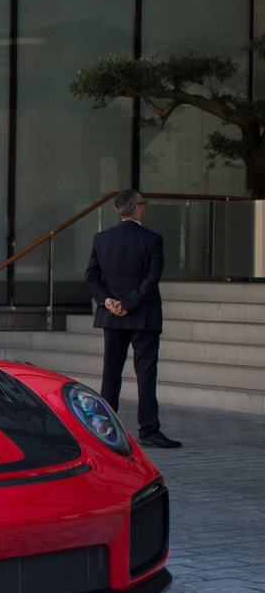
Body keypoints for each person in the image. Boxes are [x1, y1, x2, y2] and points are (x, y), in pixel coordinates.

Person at [85, 190, 180, 449]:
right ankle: (148, 430)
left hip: (112, 316)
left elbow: (92, 276)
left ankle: (103, 429)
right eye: (143, 204)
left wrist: (108, 301)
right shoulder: (152, 239)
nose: (144, 208)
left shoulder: (102, 238)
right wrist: (128, 304)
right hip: (143, 317)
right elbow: (152, 279)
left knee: (111, 373)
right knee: (146, 373)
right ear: (137, 208)